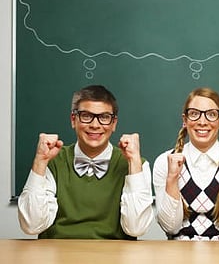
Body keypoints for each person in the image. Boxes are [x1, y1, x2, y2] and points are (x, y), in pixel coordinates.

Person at [18, 85, 154, 239]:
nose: (95, 125)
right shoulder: (53, 159)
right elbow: (32, 226)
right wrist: (40, 161)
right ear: (73, 120)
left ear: (114, 123)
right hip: (59, 255)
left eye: (104, 117)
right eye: (86, 115)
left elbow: (136, 229)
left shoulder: (136, 164)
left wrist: (134, 162)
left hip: (113, 257)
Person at [153, 87, 219, 240]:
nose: (202, 122)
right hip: (178, 256)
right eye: (194, 114)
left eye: (211, 115)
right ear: (185, 120)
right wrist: (172, 179)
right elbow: (170, 227)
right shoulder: (166, 161)